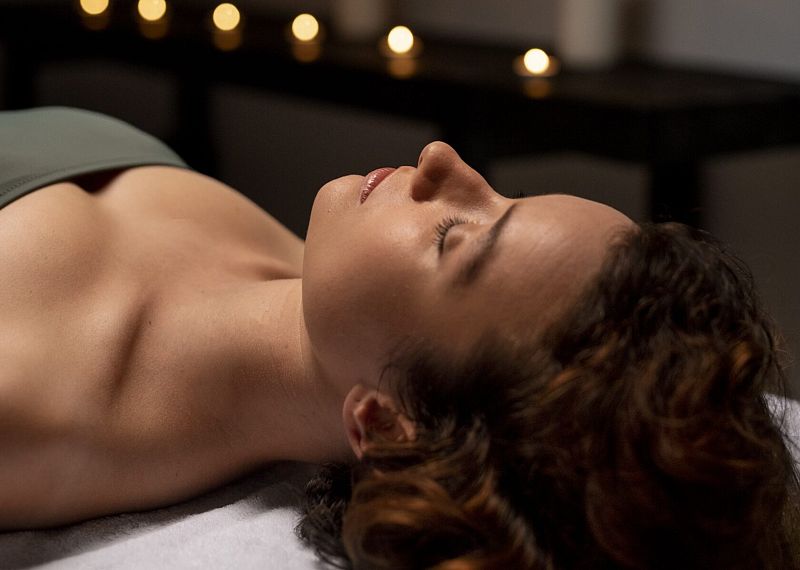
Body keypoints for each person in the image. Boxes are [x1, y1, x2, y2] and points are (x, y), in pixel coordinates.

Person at [0, 107, 797, 568]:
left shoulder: (27, 402)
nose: (442, 160)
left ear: (383, 424)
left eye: (454, 238)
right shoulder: (310, 278)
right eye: (505, 195)